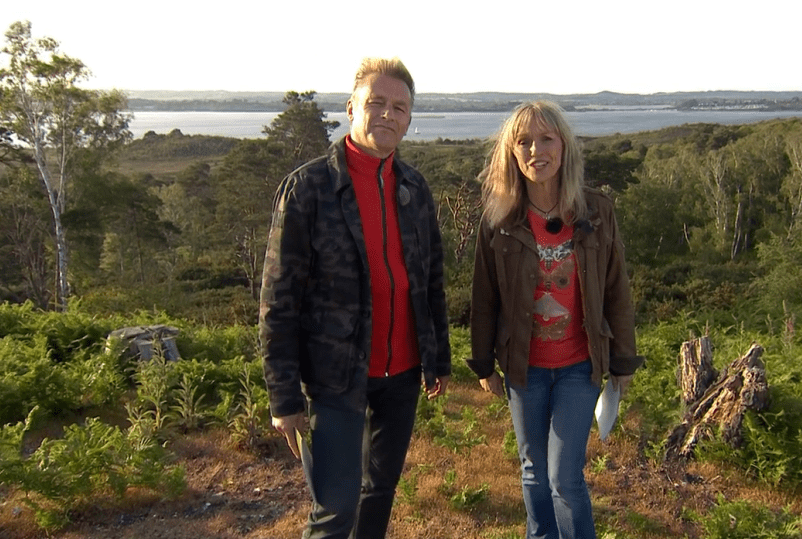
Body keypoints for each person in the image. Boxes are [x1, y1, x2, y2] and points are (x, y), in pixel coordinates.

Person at [259, 57, 452, 539]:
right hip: (335, 375)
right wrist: (284, 397)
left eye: (400, 107)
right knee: (336, 508)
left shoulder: (413, 188)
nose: (388, 114)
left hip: (402, 375)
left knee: (378, 497)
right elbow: (278, 300)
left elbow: (430, 281)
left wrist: (437, 359)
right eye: (377, 103)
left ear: (409, 119)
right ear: (352, 108)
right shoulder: (309, 188)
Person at [467, 101, 643, 539]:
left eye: (546, 138)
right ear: (511, 152)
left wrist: (622, 362)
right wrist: (483, 362)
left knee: (565, 477)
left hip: (578, 366)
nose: (534, 150)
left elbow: (617, 290)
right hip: (524, 368)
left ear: (564, 146)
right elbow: (484, 297)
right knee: (533, 472)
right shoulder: (499, 219)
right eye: (523, 141)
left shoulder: (596, 211)